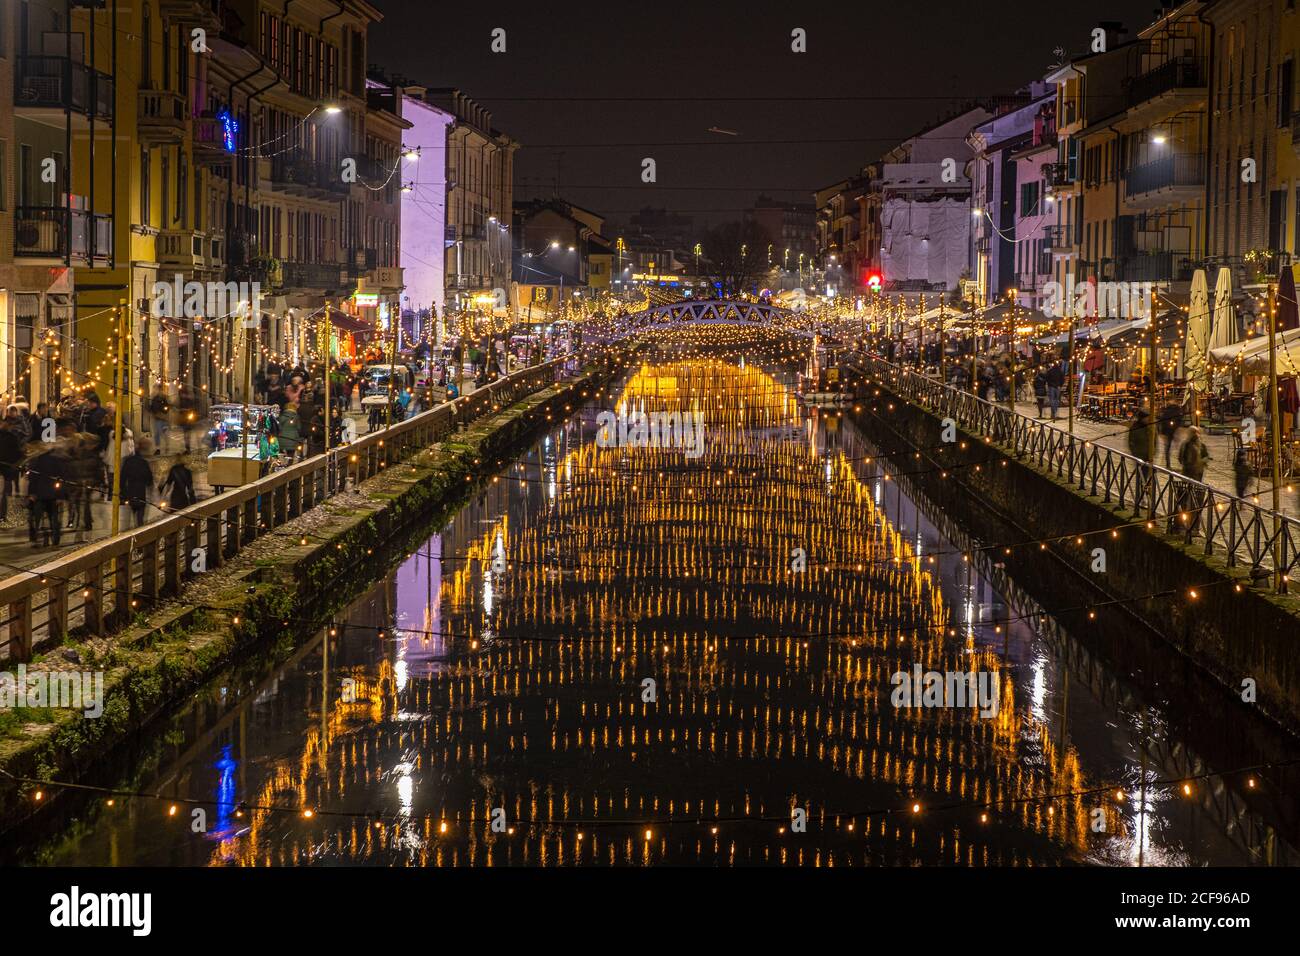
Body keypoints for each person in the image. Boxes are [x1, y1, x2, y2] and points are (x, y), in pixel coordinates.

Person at [26, 443, 68, 547]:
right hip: (52, 494)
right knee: (53, 518)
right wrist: (60, 495)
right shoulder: (57, 461)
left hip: (40, 494)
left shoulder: (36, 461)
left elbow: (32, 479)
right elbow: (61, 478)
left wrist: (31, 493)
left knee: (36, 518)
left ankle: (35, 539)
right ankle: (54, 539)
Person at [1178, 426, 1212, 532]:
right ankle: (1185, 523)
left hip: (1196, 475)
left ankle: (1193, 524)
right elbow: (1183, 459)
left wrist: (1204, 460)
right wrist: (1201, 462)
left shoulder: (1200, 445)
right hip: (1189, 474)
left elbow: (1205, 455)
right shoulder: (1187, 445)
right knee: (1186, 499)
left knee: (1193, 500)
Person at [119, 439, 155, 528]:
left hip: (129, 493)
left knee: (127, 520)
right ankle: (139, 534)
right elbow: (149, 480)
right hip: (141, 493)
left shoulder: (128, 461)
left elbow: (122, 478)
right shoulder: (144, 463)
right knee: (140, 518)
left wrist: (123, 493)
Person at [1127, 407, 1155, 511]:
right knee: (1141, 478)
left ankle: (1146, 498)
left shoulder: (1150, 427)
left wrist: (1153, 452)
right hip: (1139, 458)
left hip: (1148, 458)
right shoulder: (1135, 428)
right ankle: (1140, 498)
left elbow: (1154, 440)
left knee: (1147, 479)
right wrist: (1135, 454)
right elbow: (1131, 442)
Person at [148, 386, 170, 454]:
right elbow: (151, 407)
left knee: (163, 433)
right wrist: (152, 412)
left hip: (163, 418)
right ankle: (158, 448)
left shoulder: (164, 398)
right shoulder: (154, 398)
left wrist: (163, 412)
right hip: (157, 418)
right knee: (157, 434)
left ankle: (166, 446)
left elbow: (167, 407)